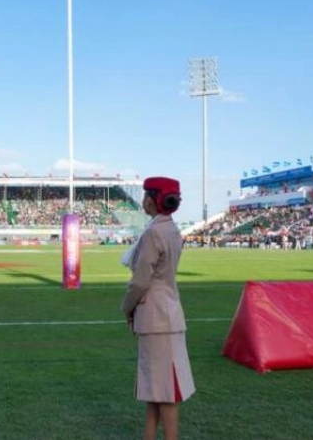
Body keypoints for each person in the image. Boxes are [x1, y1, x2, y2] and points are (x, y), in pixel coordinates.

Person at [121, 176, 195, 440]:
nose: (142, 201)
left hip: (155, 317)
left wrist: (126, 307)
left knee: (164, 393)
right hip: (169, 313)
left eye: (145, 197)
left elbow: (140, 280)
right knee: (156, 390)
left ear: (153, 200)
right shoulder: (172, 230)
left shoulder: (154, 232)